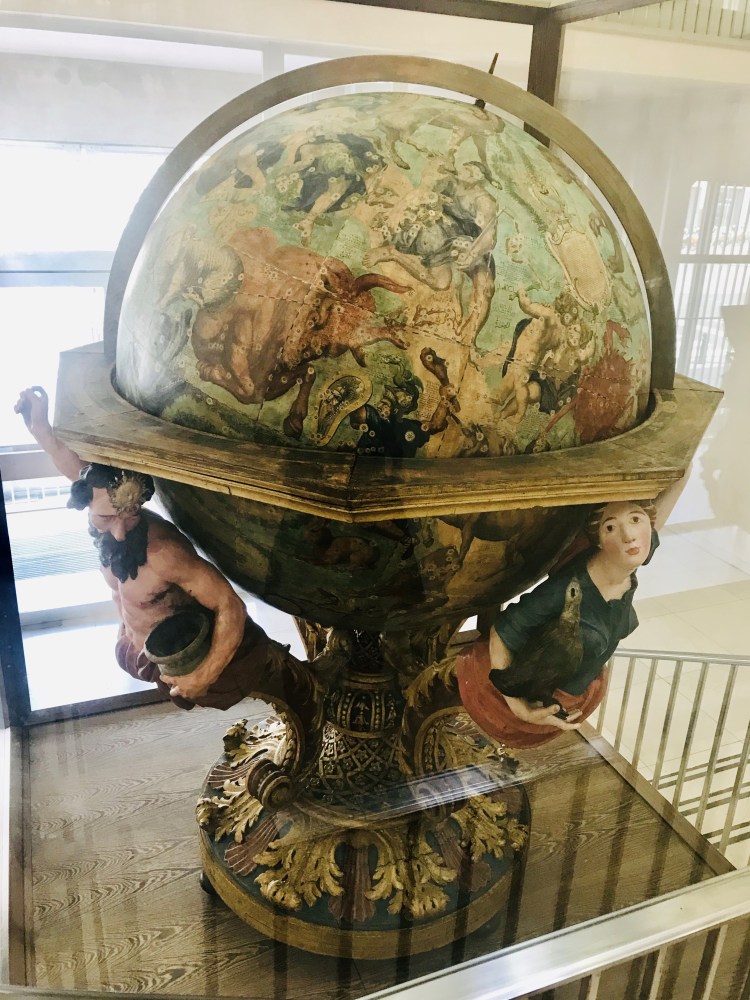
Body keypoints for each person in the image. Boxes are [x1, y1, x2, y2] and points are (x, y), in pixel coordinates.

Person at [14, 387, 307, 711]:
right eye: (106, 519)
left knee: (264, 687)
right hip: (143, 649)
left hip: (189, 654)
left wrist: (204, 676)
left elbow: (230, 605)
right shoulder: (100, 502)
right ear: (86, 502)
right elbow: (73, 466)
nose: (120, 532)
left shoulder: (163, 554)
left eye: (131, 516)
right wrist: (41, 428)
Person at [457, 477, 687, 749]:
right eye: (611, 527)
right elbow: (504, 630)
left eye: (636, 519)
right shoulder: (571, 588)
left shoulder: (627, 557)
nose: (629, 536)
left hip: (576, 694)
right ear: (598, 540)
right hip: (521, 698)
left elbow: (676, 484)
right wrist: (520, 709)